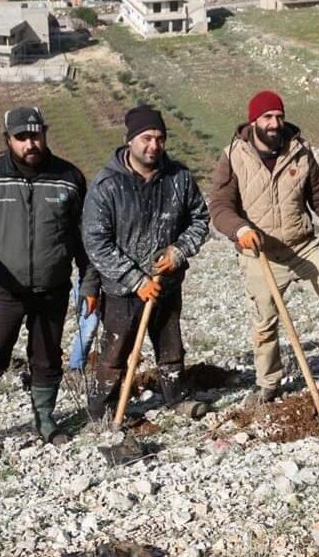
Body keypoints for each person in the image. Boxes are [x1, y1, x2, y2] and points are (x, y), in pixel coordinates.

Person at [209, 90, 319, 406]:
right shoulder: (233, 156)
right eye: (267, 117)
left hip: (304, 247)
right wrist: (240, 229)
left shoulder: (300, 151)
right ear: (254, 121)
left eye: (279, 116)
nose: (275, 123)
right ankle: (268, 384)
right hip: (260, 253)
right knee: (265, 325)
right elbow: (219, 206)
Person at [0, 106, 90, 446]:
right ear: (8, 139)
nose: (31, 143)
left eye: (36, 135)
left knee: (46, 356)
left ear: (45, 133)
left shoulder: (69, 178)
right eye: (22, 137)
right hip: (2, 289)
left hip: (53, 287)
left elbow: (84, 237)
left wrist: (89, 283)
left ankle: (45, 421)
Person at [81, 106, 211, 420]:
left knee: (171, 348)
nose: (154, 145)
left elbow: (200, 219)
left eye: (160, 138)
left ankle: (177, 398)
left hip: (166, 284)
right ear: (130, 141)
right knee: (115, 353)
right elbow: (96, 242)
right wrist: (136, 281)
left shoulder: (178, 178)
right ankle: (103, 411)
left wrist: (178, 251)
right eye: (146, 138)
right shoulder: (107, 186)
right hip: (123, 291)